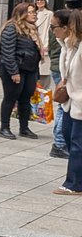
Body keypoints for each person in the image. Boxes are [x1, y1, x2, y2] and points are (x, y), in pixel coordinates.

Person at [0, 1, 43, 140]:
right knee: (10, 98)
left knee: (26, 99)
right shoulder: (11, 28)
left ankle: (24, 128)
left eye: (34, 12)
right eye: (30, 12)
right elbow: (7, 52)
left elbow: (35, 51)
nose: (33, 14)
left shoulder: (32, 29)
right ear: (21, 14)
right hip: (15, 69)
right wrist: (13, 72)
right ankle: (4, 128)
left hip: (30, 69)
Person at [54, 9, 82, 195]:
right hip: (69, 102)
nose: (52, 31)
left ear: (67, 27)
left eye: (54, 27)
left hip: (79, 102)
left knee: (78, 143)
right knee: (68, 137)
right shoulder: (67, 46)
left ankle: (74, 184)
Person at [50, 9, 71, 159]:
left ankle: (59, 142)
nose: (52, 31)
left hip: (63, 74)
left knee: (62, 107)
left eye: (53, 27)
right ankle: (59, 143)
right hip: (60, 72)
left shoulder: (70, 43)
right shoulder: (63, 42)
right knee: (62, 105)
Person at [35, 0, 54, 81]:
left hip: (44, 43)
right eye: (37, 0)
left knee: (44, 73)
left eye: (42, 0)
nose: (39, 2)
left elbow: (50, 30)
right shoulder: (33, 13)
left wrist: (47, 44)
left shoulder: (49, 14)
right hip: (34, 43)